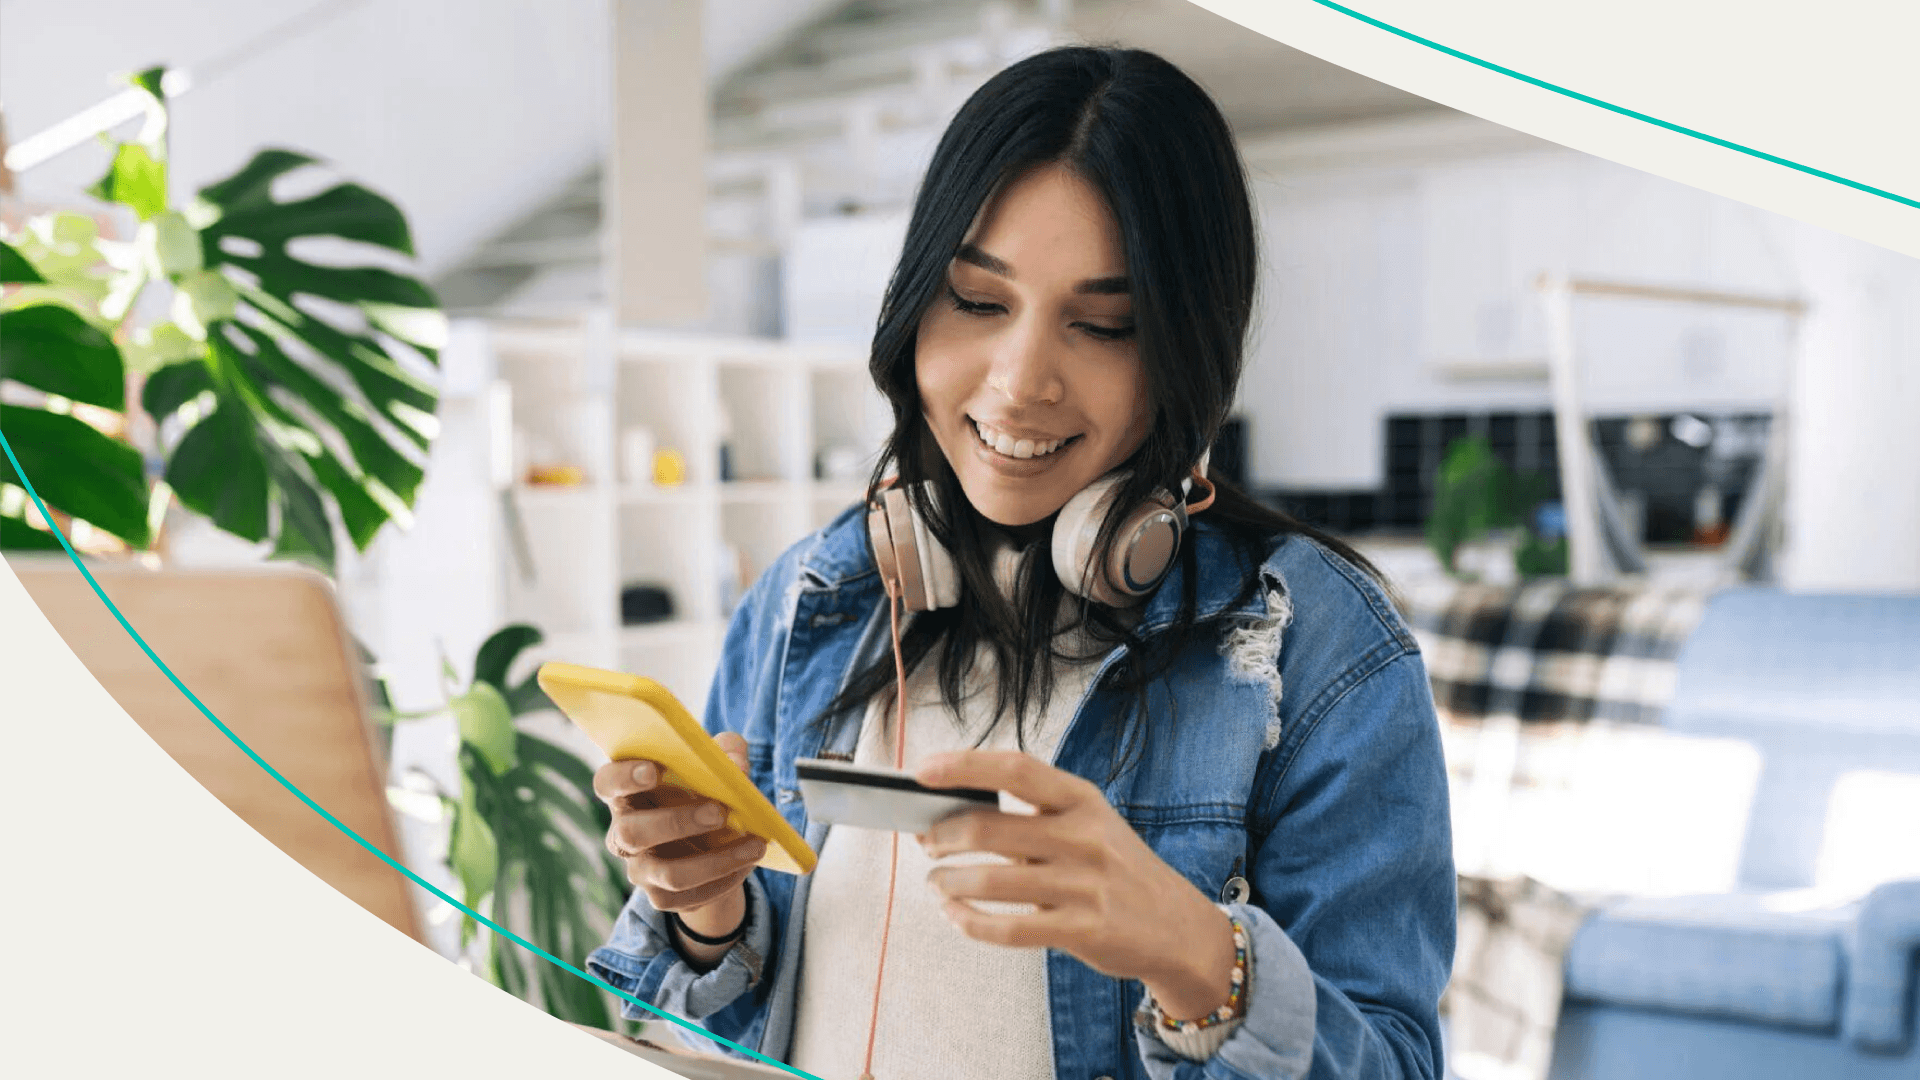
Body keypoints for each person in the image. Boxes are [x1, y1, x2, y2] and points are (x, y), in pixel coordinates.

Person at [587, 45, 1455, 1080]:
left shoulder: (1316, 650)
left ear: (1188, 351)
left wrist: (1194, 956)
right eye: (979, 302)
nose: (1021, 380)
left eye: (1103, 325)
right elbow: (750, 1022)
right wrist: (705, 920)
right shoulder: (808, 600)